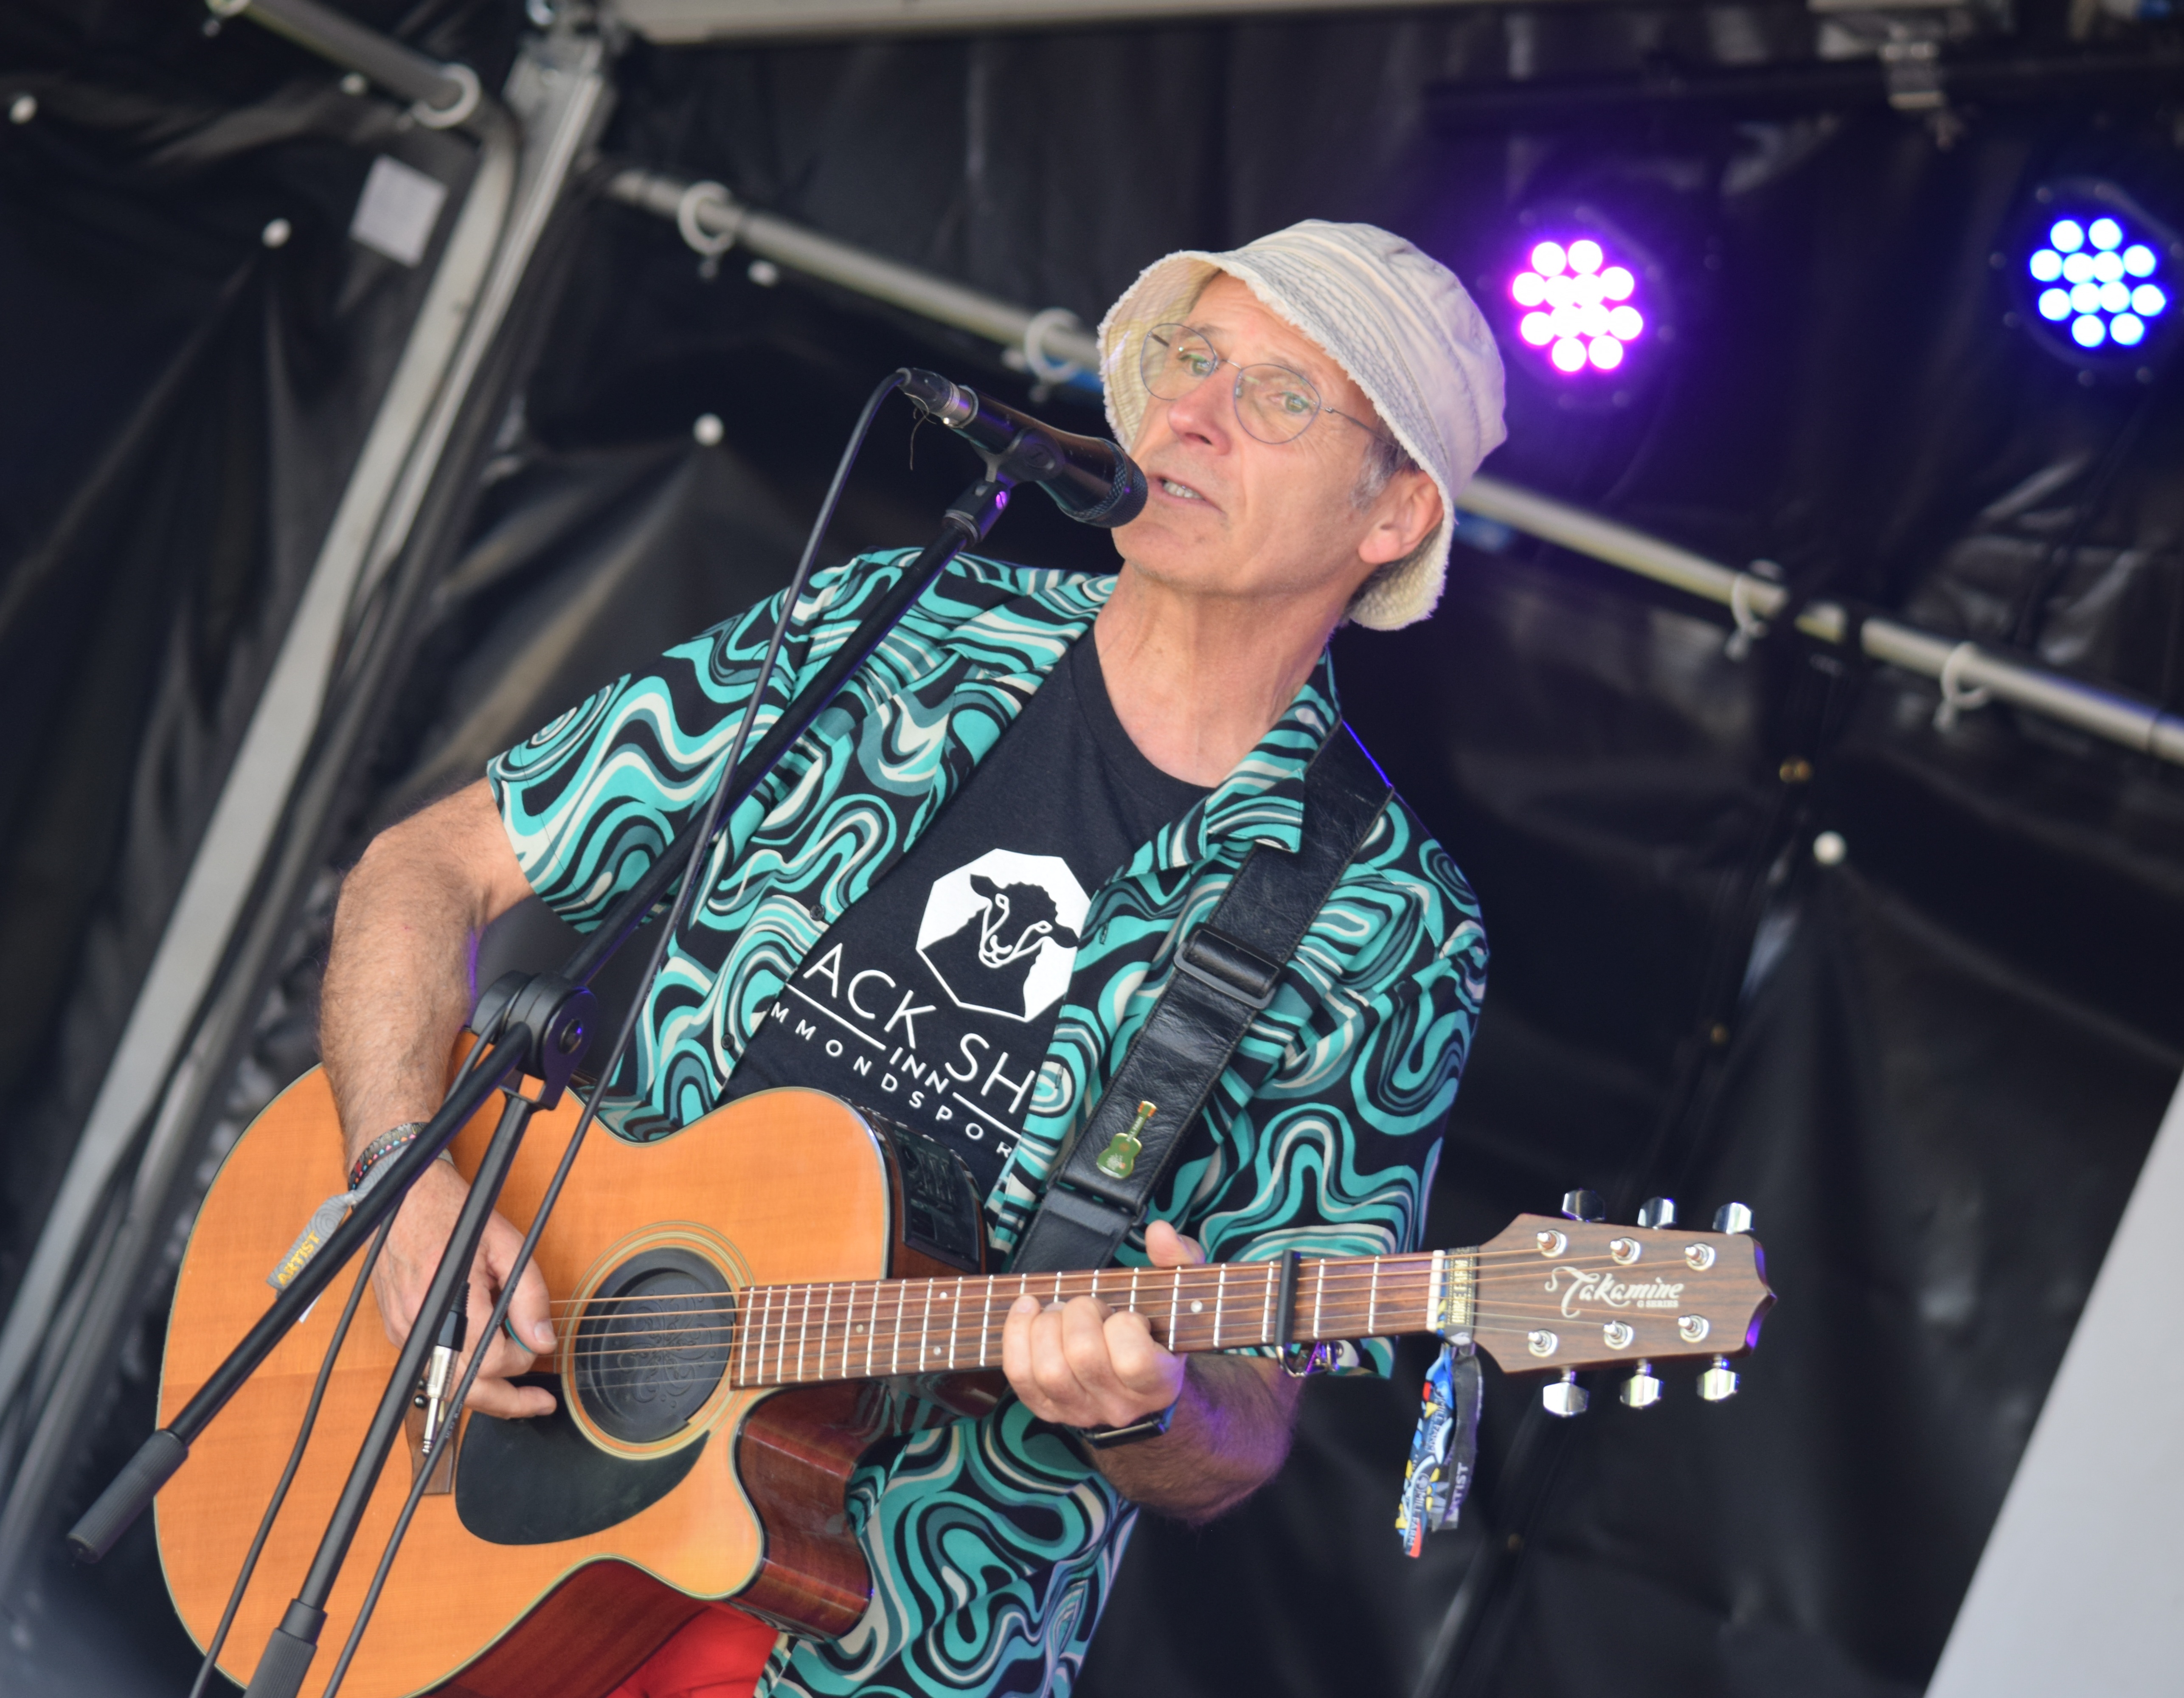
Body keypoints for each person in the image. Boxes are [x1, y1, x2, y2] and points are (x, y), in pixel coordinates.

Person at [318, 219, 1504, 1698]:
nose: (1187, 411)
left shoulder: (1386, 922)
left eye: (1275, 397)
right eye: (1189, 357)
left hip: (887, 1645)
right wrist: (399, 1183)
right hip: (482, 1535)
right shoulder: (894, 630)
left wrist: (1150, 1407)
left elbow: (1247, 1430)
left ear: (1391, 516)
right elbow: (427, 867)